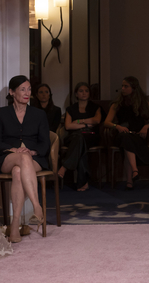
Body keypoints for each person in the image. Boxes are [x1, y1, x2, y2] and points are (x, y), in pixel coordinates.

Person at [0, 75, 49, 243]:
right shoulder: (2, 113)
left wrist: (33, 152)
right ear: (12, 92)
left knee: (19, 170)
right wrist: (12, 149)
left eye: (29, 89)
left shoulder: (39, 114)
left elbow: (45, 143)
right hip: (7, 156)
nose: (27, 93)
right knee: (20, 160)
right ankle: (38, 206)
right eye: (22, 89)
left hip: (33, 159)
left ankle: (14, 226)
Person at [104, 76, 149, 190]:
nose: (123, 88)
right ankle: (134, 171)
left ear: (133, 88)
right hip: (121, 134)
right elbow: (107, 122)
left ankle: (130, 180)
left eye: (126, 86)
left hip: (137, 134)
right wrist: (117, 126)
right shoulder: (117, 103)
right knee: (125, 138)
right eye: (122, 86)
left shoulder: (143, 103)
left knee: (128, 142)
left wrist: (146, 126)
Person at [59, 82, 102, 191]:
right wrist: (87, 124)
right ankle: (83, 182)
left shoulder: (95, 107)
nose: (84, 93)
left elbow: (97, 120)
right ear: (76, 94)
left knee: (81, 142)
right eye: (81, 91)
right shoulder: (70, 109)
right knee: (79, 139)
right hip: (73, 137)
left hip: (90, 137)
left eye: (86, 91)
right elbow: (68, 126)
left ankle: (65, 166)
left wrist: (79, 122)